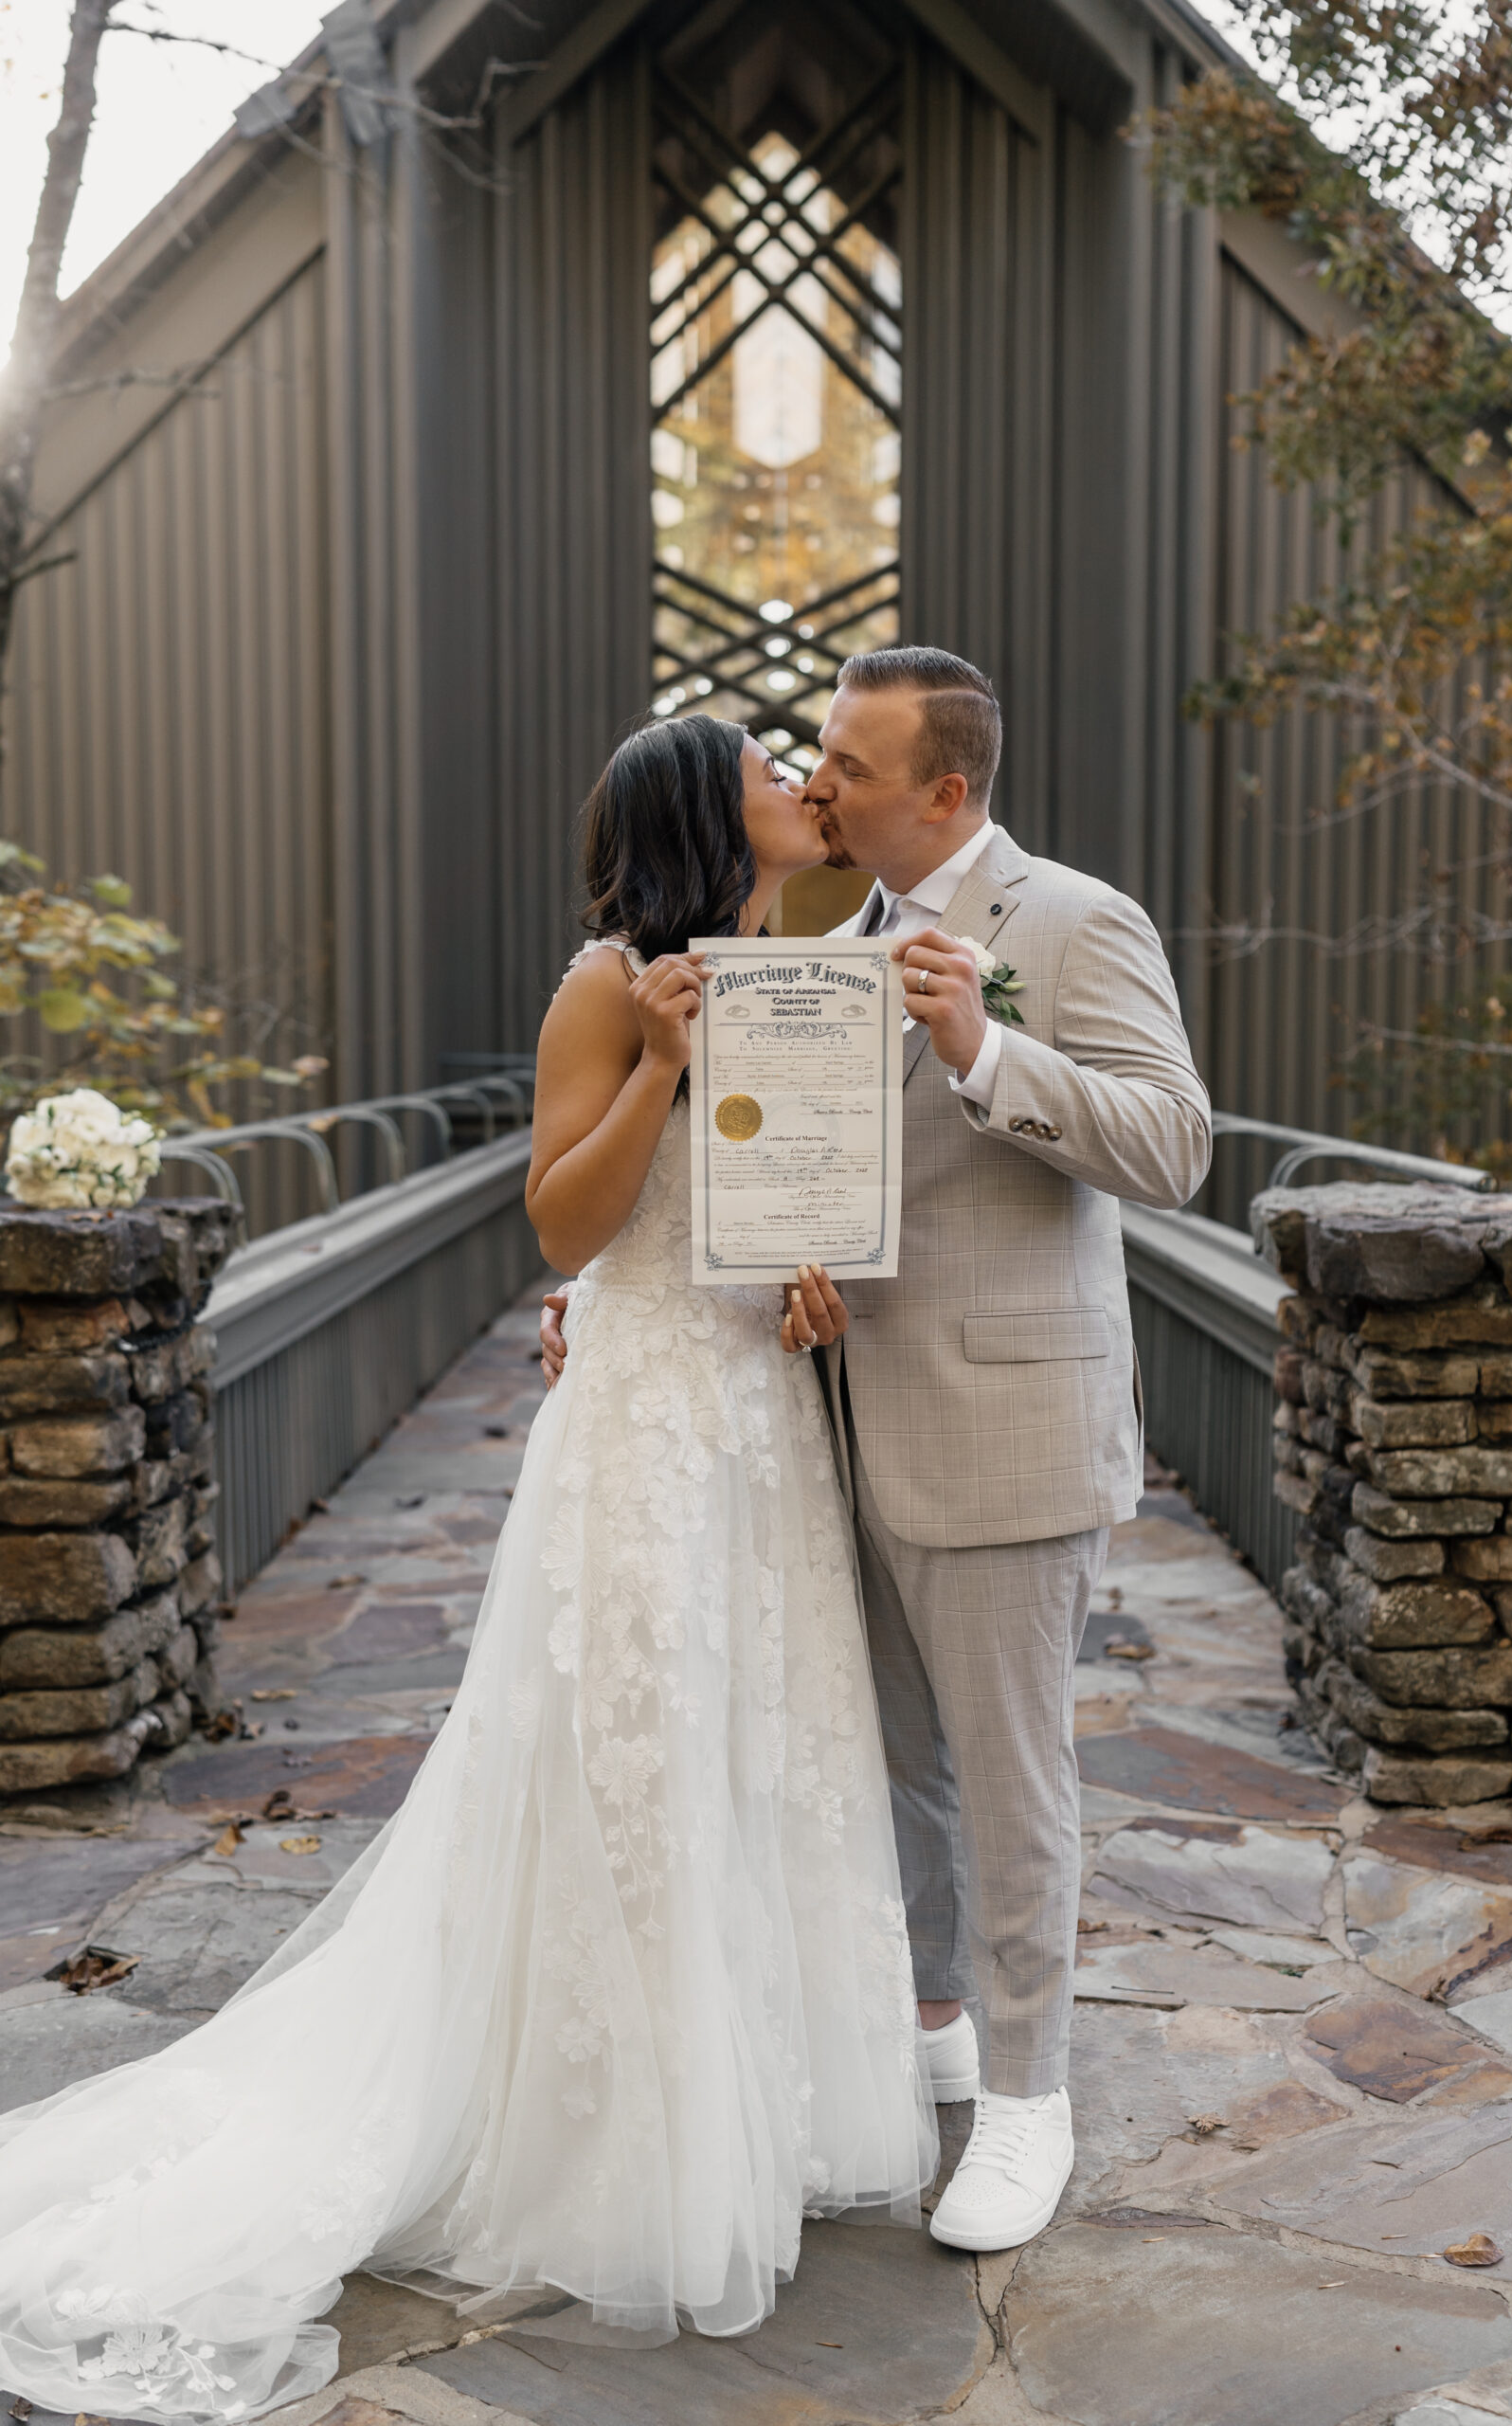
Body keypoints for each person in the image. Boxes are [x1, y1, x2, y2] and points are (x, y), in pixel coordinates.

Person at [0, 715, 937, 2424]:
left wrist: (813, 1280)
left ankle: (762, 2102)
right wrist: (655, 1060)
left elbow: (769, 1199)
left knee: (764, 1752)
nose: (804, 781)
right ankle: (618, 2138)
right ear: (696, 815)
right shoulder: (606, 985)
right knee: (632, 1768)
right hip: (647, 1426)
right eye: (768, 771)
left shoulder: (808, 960)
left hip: (758, 1423)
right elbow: (566, 1230)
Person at [544, 648, 1212, 2254]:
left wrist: (989, 1053)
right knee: (889, 1762)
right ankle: (934, 2036)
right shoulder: (812, 941)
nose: (819, 777)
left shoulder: (1067, 920)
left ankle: (1031, 2108)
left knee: (1012, 1772)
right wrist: (617, 1289)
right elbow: (753, 1164)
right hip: (808, 1415)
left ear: (948, 790)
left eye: (846, 756)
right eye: (810, 756)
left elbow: (1176, 1146)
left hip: (999, 1415)